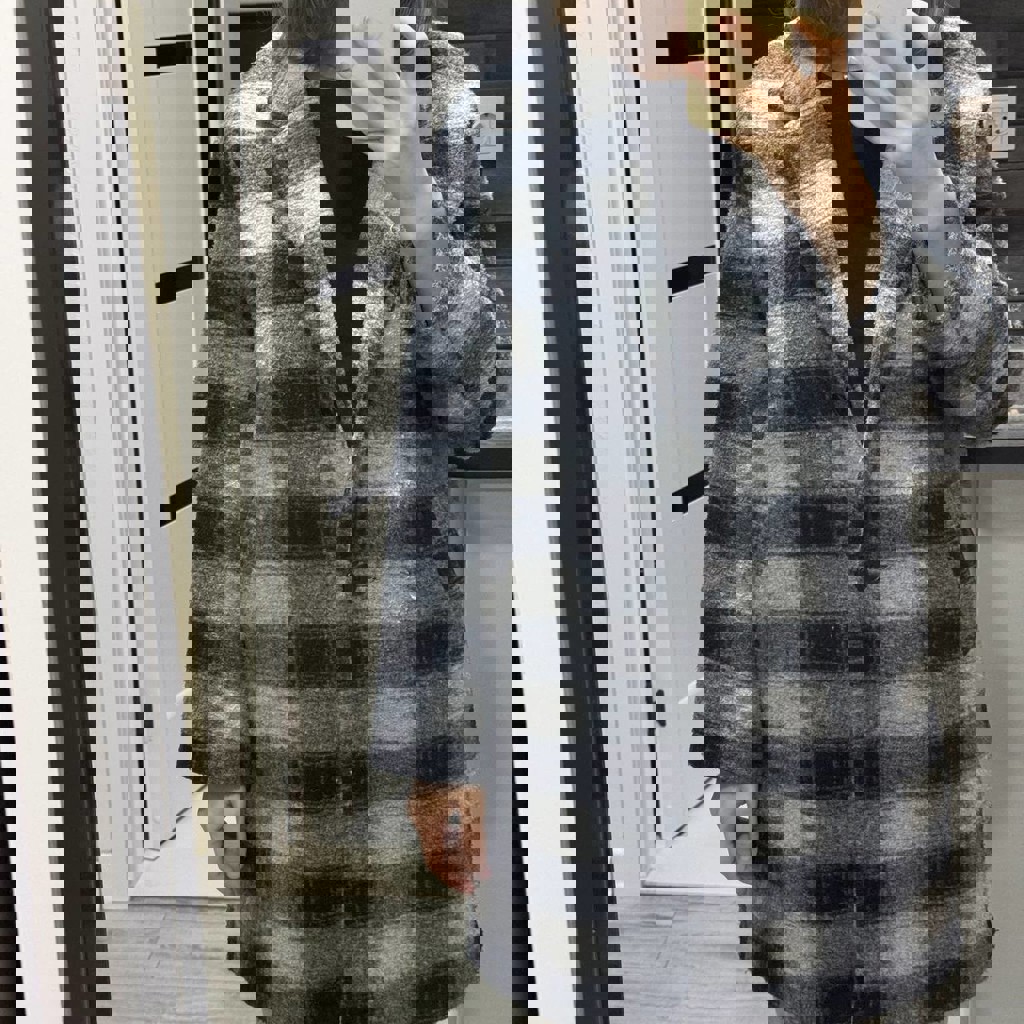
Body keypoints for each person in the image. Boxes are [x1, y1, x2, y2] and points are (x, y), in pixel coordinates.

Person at [700, 1, 1016, 1020]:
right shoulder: (762, 104)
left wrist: (913, 181)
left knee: (918, 954)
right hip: (786, 619)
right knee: (807, 958)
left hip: (911, 630)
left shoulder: (956, 98)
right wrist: (723, 673)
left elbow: (983, 384)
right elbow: (737, 420)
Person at [188, 2, 499, 1021]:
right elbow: (227, 411)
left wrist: (406, 166)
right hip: (280, 619)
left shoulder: (449, 102)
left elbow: (471, 394)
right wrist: (214, 697)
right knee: (298, 963)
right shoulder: (251, 113)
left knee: (417, 953)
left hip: (409, 621)